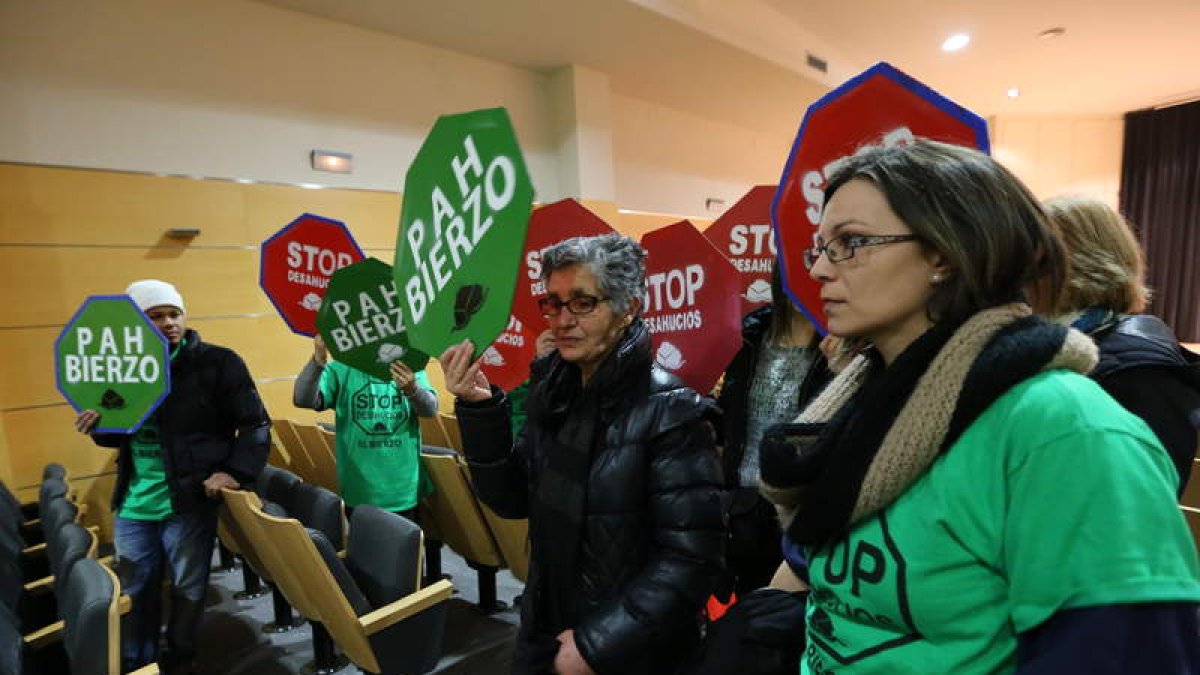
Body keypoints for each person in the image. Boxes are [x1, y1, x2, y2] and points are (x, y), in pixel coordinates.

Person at [757, 140, 1200, 673]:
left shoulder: (1063, 428)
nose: (821, 271)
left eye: (851, 242)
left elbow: (1126, 654)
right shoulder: (865, 399)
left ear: (944, 255)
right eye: (821, 248)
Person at [440, 233, 725, 675]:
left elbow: (691, 561)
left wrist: (595, 644)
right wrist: (480, 409)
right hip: (547, 624)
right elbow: (512, 497)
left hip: (630, 651)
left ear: (628, 308)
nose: (561, 320)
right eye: (552, 303)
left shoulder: (672, 412)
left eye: (582, 303)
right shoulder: (555, 390)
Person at [74, 279, 270, 673]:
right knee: (135, 588)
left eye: (173, 313)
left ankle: (181, 657)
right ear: (137, 324)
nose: (168, 322)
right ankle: (140, 662)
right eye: (156, 316)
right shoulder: (121, 368)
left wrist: (233, 472)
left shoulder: (217, 363)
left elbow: (255, 424)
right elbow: (116, 435)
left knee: (188, 585)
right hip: (134, 498)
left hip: (189, 499)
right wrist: (98, 424)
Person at [1036, 196, 1200, 494]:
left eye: (1033, 258)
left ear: (1076, 264)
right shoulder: (1047, 344)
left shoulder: (1141, 373)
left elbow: (1141, 500)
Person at [716, 265, 830, 595]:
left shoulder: (842, 346)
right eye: (800, 272)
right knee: (748, 607)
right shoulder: (749, 337)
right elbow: (729, 417)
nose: (810, 282)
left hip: (799, 506)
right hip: (742, 502)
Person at [292, 335, 438, 522]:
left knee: (406, 549)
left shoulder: (408, 367)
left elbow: (430, 409)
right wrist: (318, 361)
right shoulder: (342, 367)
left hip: (403, 488)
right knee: (366, 550)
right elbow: (302, 399)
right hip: (359, 488)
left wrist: (413, 390)